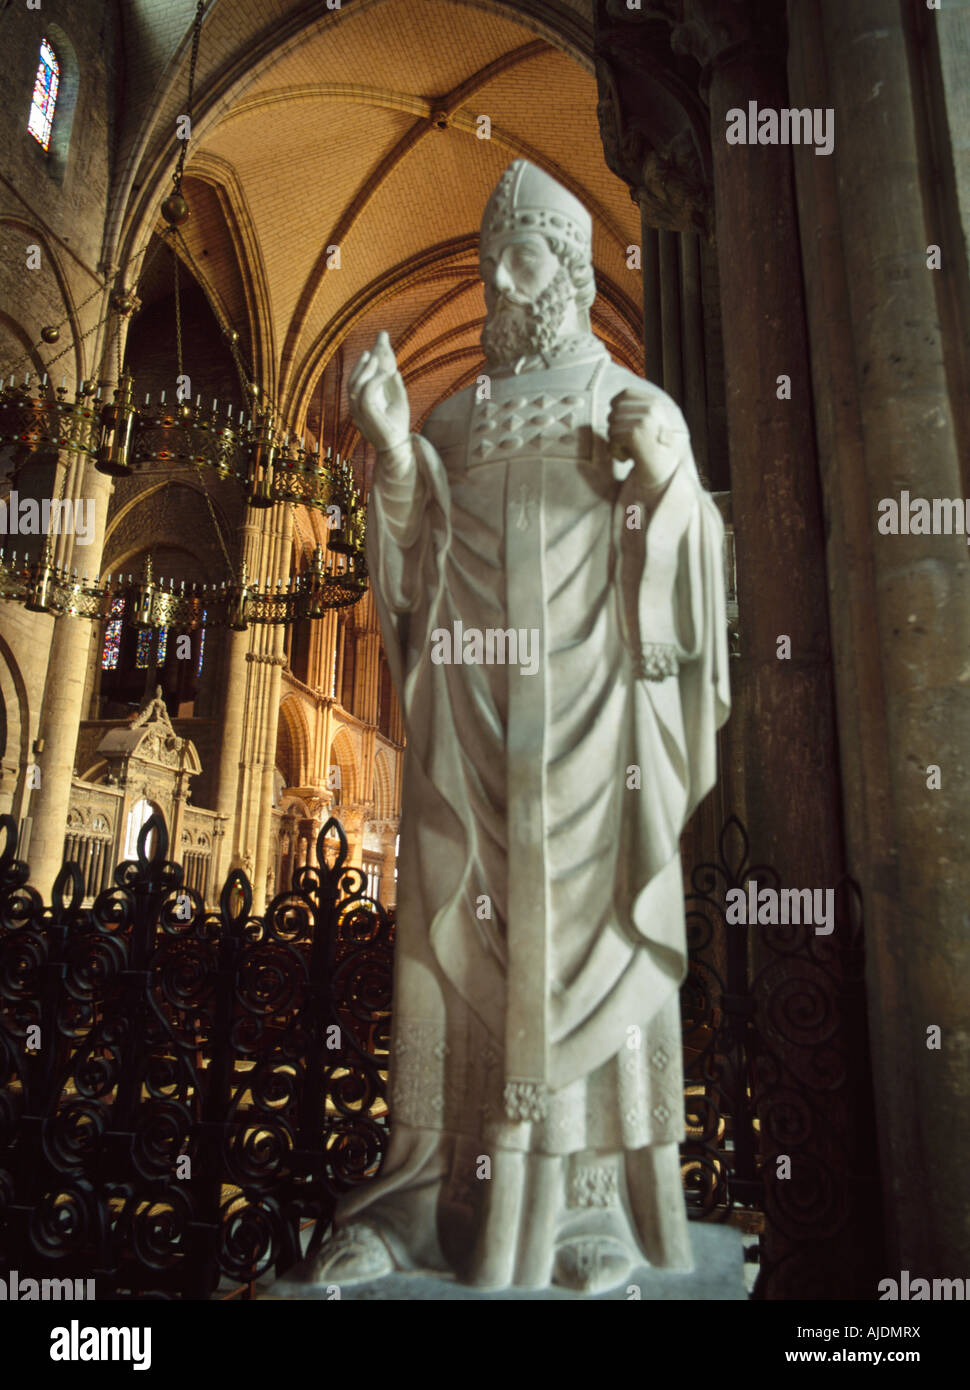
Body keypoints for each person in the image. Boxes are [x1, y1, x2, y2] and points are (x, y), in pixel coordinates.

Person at [303, 159, 730, 1293]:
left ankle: (592, 1216)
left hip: (595, 750)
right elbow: (405, 579)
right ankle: (434, 1192)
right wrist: (394, 454)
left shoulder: (628, 405)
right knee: (450, 954)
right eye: (491, 258)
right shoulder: (452, 418)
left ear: (570, 270)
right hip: (471, 742)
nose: (497, 277)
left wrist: (670, 482)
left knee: (592, 961)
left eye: (522, 256)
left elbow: (689, 584)